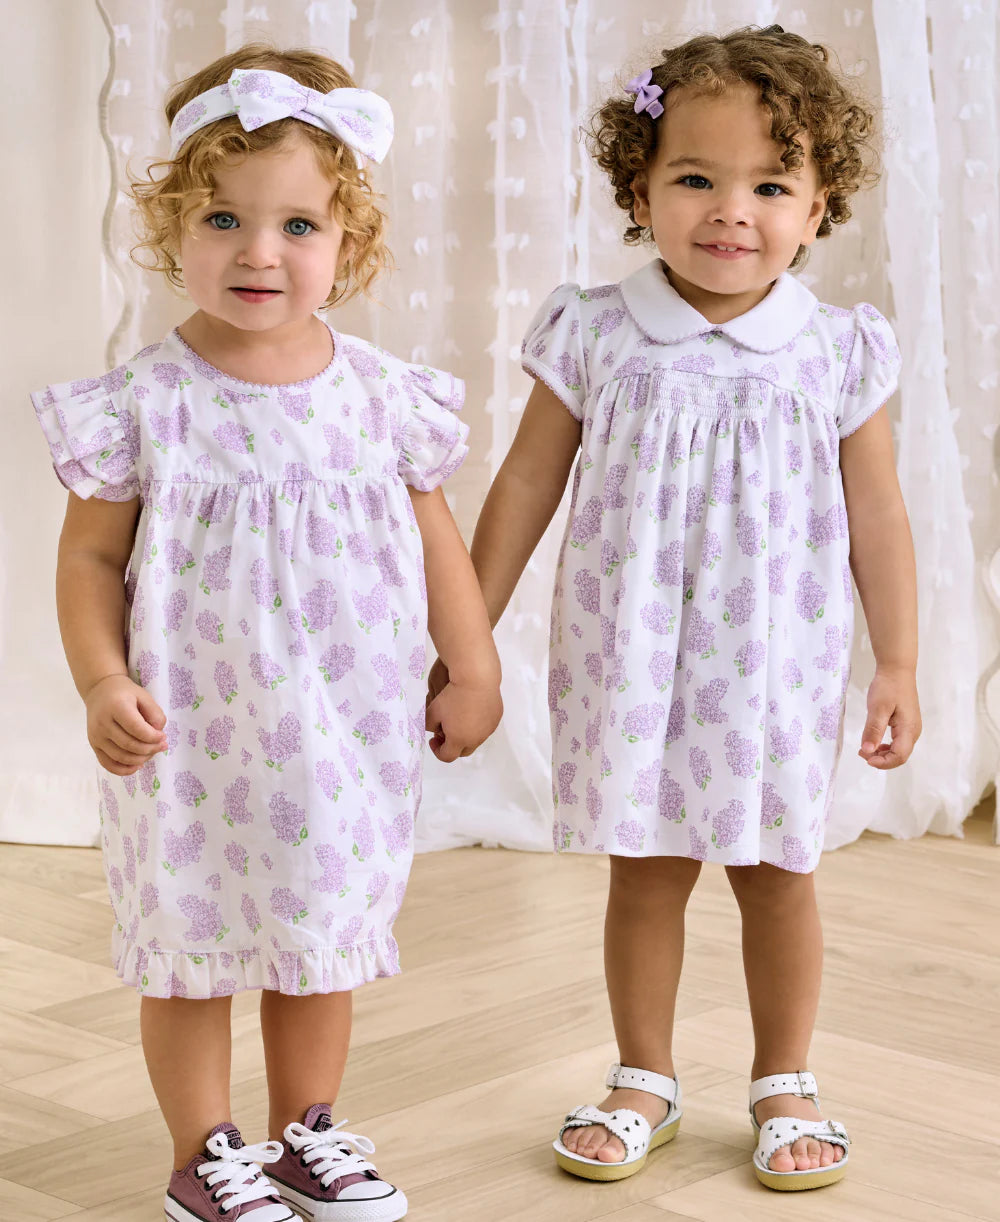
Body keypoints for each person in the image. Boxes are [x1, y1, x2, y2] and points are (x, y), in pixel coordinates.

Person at [31, 44, 502, 1222]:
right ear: (170, 228)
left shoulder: (382, 394)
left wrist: (474, 660)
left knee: (321, 934)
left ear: (350, 242)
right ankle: (204, 1151)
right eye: (224, 219)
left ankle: (307, 1136)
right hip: (188, 733)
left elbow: (435, 538)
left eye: (298, 225)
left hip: (344, 726)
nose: (258, 252)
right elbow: (88, 559)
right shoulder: (145, 401)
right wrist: (100, 679)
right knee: (192, 941)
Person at [448, 24, 920, 1192]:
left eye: (770, 186)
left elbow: (877, 514)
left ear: (817, 206)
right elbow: (525, 482)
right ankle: (642, 1076)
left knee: (778, 873)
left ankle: (784, 1078)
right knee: (646, 869)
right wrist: (465, 635)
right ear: (639, 190)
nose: (730, 212)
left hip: (773, 663)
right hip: (632, 658)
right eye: (696, 178)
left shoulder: (834, 350)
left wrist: (898, 662)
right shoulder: (596, 331)